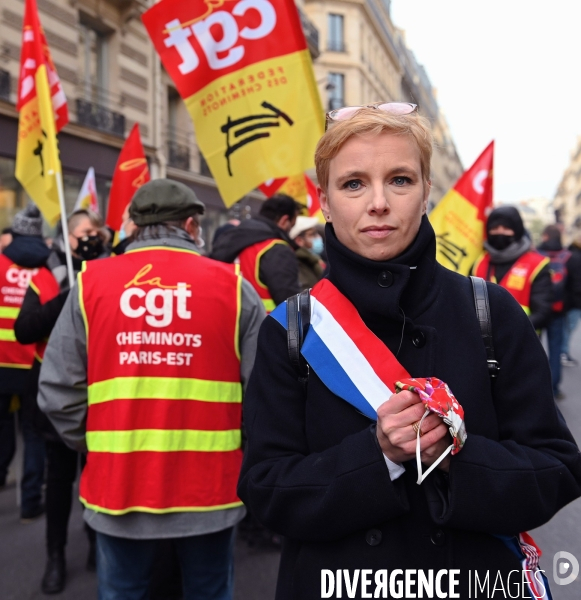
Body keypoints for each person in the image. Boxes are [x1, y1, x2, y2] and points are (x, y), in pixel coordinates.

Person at [237, 104, 581, 599]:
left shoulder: (492, 310)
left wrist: (449, 456)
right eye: (353, 183)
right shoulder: (291, 328)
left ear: (426, 193)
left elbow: (556, 469)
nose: (378, 202)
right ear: (325, 201)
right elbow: (266, 490)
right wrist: (377, 455)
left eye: (399, 180)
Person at [38, 179, 265, 600]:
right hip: (209, 492)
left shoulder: (90, 284)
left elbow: (56, 390)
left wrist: (97, 443)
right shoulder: (234, 289)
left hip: (118, 488)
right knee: (209, 592)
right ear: (192, 225)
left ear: (134, 227)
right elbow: (263, 399)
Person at [14, 208, 109, 594]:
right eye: (87, 231)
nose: (94, 237)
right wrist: (72, 296)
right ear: (69, 237)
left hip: (100, 392)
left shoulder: (112, 271)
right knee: (59, 481)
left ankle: (95, 546)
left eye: (96, 231)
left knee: (96, 477)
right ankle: (55, 556)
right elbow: (25, 329)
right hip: (57, 394)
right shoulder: (45, 276)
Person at [0, 204, 50, 521]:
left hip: (1, 362)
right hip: (33, 362)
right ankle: (31, 501)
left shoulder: (0, 263)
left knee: (2, 426)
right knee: (34, 434)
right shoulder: (49, 269)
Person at [211, 194, 302, 312]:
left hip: (229, 324)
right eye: (292, 225)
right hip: (263, 326)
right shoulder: (277, 250)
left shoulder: (227, 241)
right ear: (284, 221)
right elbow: (292, 307)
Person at [472, 206, 552, 331]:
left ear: (517, 230)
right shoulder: (479, 261)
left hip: (523, 342)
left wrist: (508, 331)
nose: (500, 232)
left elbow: (543, 312)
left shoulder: (537, 264)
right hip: (483, 343)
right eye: (495, 228)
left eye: (506, 228)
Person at [538, 224, 572, 399]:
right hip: (558, 312)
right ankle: (554, 389)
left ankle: (534, 387)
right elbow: (573, 286)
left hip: (537, 310)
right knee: (555, 349)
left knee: (533, 350)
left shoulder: (535, 256)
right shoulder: (568, 257)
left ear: (544, 237)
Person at [561, 230, 581, 366]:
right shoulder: (576, 257)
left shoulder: (569, 254)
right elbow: (577, 283)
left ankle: (563, 352)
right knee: (569, 327)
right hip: (573, 301)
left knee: (566, 327)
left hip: (566, 299)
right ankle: (564, 353)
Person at [289, 215, 325, 290]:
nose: (318, 237)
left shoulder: (315, 259)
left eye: (317, 233)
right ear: (299, 241)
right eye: (312, 234)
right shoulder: (299, 264)